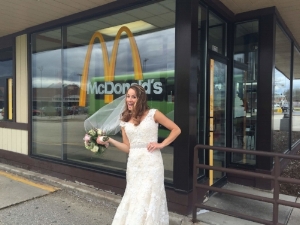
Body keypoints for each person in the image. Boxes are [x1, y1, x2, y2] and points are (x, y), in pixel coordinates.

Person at [97, 84, 181, 225]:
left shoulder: (153, 114)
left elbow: (176, 129)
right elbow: (127, 147)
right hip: (134, 165)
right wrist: (109, 139)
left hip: (152, 164)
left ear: (140, 99)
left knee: (149, 198)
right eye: (128, 96)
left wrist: (161, 144)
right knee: (135, 198)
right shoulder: (124, 119)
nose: (129, 100)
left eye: (133, 97)